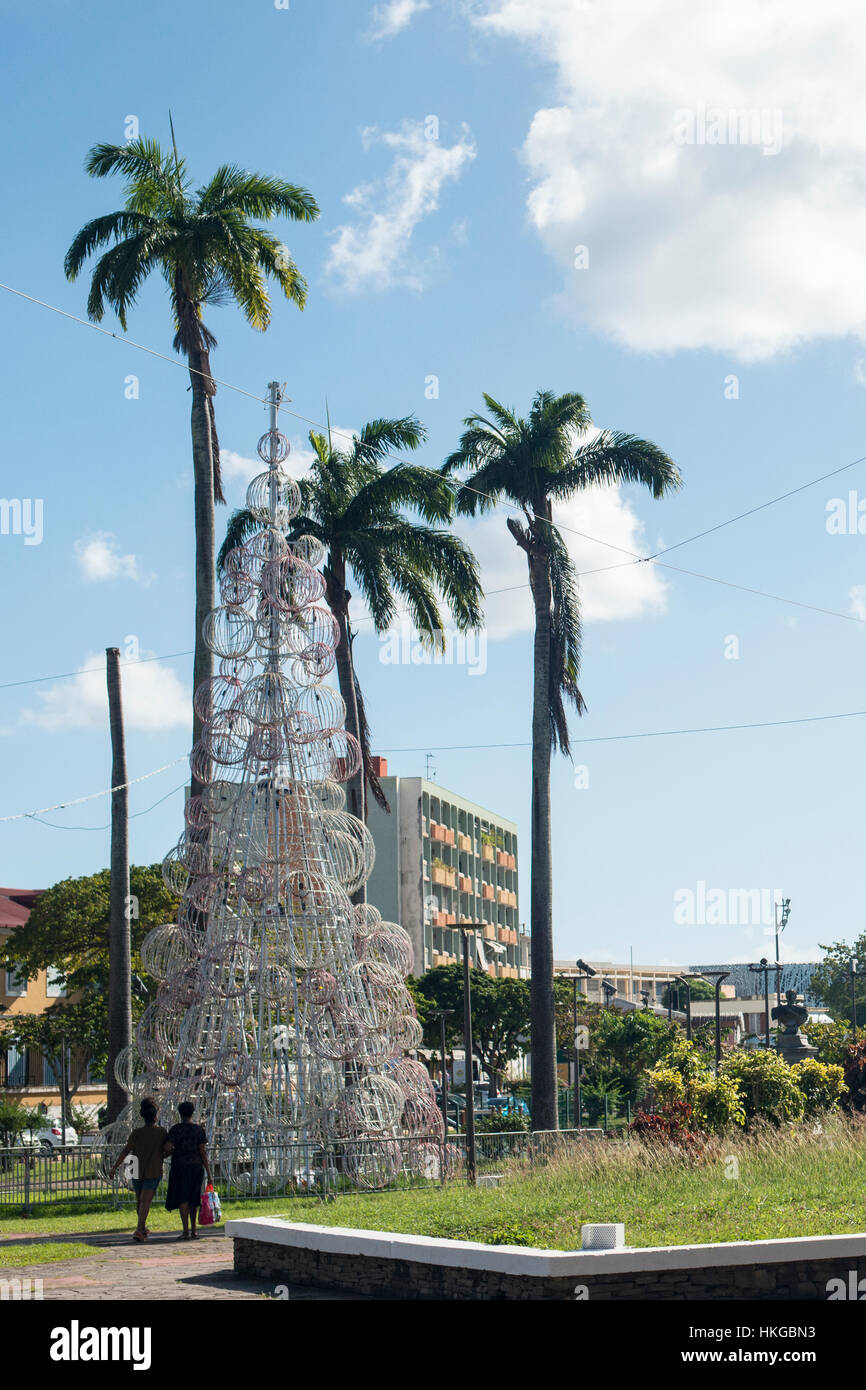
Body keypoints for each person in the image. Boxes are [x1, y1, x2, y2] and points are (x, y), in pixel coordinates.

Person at [109, 1097, 168, 1243]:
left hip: (136, 1169)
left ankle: (141, 1228)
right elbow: (167, 1150)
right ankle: (139, 1229)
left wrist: (115, 1167)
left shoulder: (136, 1133)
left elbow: (125, 1150)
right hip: (153, 1170)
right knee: (145, 1202)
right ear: (155, 1115)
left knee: (139, 1201)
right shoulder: (161, 1132)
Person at [164, 1100, 213, 1240]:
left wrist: (171, 1152)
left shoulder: (175, 1129)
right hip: (196, 1167)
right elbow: (203, 1152)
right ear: (192, 1113)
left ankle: (185, 1231)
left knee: (183, 1198)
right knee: (194, 1198)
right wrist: (209, 1173)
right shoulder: (199, 1130)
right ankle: (194, 1230)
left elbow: (167, 1147)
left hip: (180, 1167)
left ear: (180, 1113)